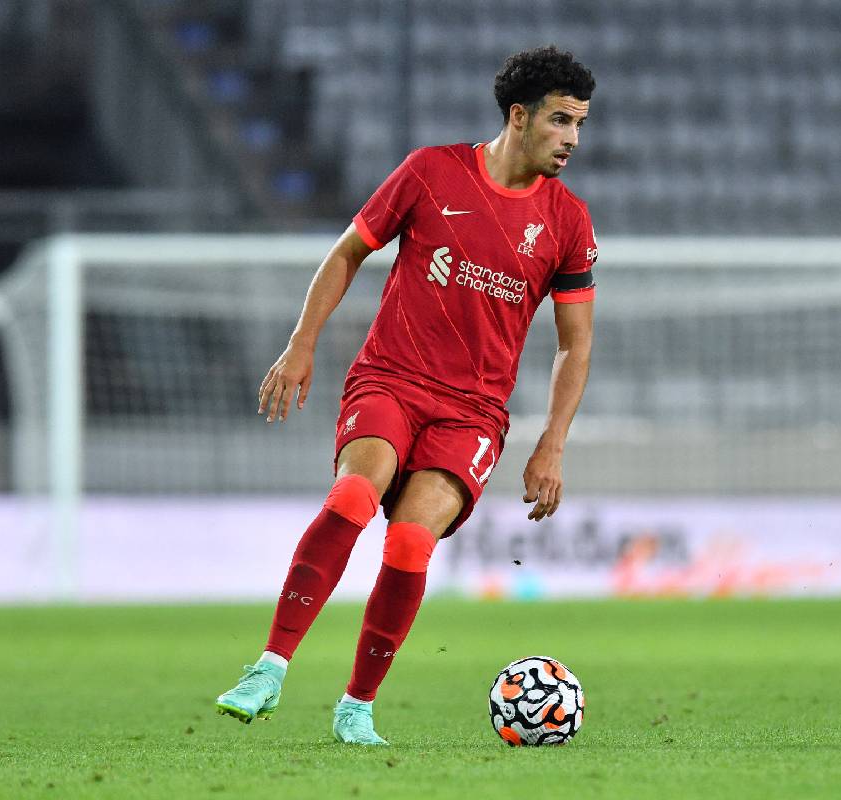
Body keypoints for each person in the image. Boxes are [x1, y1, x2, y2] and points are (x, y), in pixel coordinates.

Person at [216, 45, 597, 746]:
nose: (573, 139)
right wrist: (301, 346)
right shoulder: (431, 171)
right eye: (562, 122)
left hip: (473, 411)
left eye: (580, 124)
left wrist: (553, 443)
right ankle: (268, 668)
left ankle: (356, 708)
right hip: (391, 377)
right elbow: (348, 252)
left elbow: (575, 343)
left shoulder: (569, 222)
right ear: (520, 116)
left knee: (411, 544)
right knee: (355, 498)